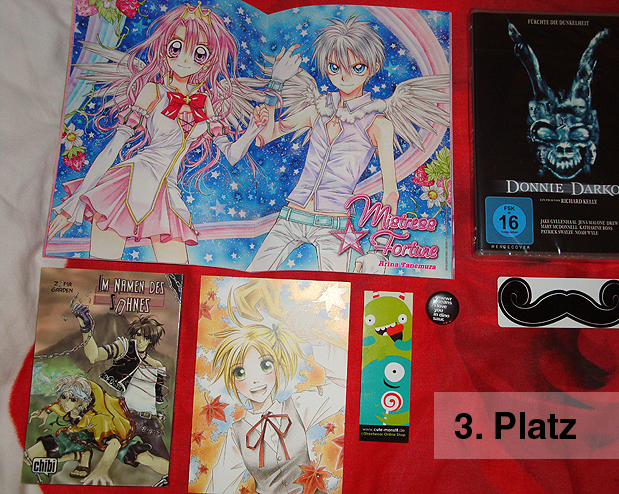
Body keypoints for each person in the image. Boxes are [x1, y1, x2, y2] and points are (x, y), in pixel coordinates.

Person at [47, 2, 265, 263]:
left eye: (199, 53)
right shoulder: (153, 91)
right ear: (164, 50)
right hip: (129, 183)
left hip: (168, 193)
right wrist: (75, 202)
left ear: (208, 60)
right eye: (176, 48)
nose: (185, 59)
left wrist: (254, 129)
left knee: (178, 275)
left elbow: (231, 155)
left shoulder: (205, 102)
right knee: (101, 273)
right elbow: (113, 147)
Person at [247, 16, 449, 273]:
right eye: (334, 67)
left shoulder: (378, 123)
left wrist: (381, 249)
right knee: (250, 278)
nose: (344, 76)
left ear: (372, 68)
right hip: (291, 216)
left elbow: (390, 191)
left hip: (335, 227)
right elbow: (265, 136)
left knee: (339, 292)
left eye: (357, 67)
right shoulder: (317, 108)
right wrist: (276, 84)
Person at [205, 296, 347, 494]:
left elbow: (346, 382)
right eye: (241, 372)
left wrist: (316, 340)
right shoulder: (237, 433)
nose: (255, 381)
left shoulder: (298, 406)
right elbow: (219, 485)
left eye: (265, 365)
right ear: (232, 379)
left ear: (278, 367)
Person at [72, 304, 171, 468]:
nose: (140, 341)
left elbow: (156, 396)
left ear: (151, 340)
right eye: (138, 335)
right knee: (102, 447)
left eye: (145, 337)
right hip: (125, 418)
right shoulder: (125, 348)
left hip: (149, 421)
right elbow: (94, 356)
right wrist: (86, 330)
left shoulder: (157, 365)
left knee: (167, 464)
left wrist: (158, 415)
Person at [24, 374, 168, 486]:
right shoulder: (69, 407)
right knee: (37, 451)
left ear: (81, 401)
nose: (66, 403)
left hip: (111, 437)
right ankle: (82, 455)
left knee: (141, 457)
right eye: (63, 397)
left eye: (72, 399)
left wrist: (101, 470)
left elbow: (114, 444)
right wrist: (46, 412)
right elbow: (58, 405)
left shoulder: (99, 418)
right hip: (85, 436)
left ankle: (172, 476)